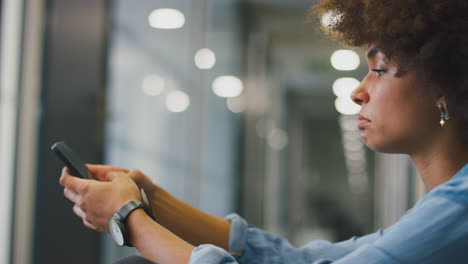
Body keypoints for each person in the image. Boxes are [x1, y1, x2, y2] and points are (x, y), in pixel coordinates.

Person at [59, 0, 468, 263]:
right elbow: (299, 260)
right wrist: (152, 201)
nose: (360, 91)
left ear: (445, 84)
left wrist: (129, 219)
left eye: (378, 69)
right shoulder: (441, 209)